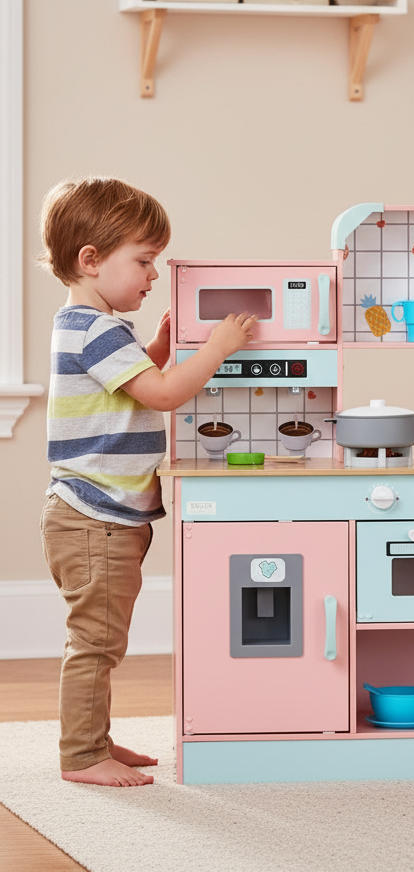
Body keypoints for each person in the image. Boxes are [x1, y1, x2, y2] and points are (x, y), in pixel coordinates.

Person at [39, 177, 256, 787]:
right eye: (143, 260)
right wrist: (217, 347)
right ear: (90, 259)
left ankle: (94, 740)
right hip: (96, 517)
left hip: (97, 516)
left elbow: (133, 387)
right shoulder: (97, 328)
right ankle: (82, 757)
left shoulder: (91, 326)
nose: (153, 274)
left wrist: (157, 347)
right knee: (96, 643)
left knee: (101, 639)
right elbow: (160, 395)